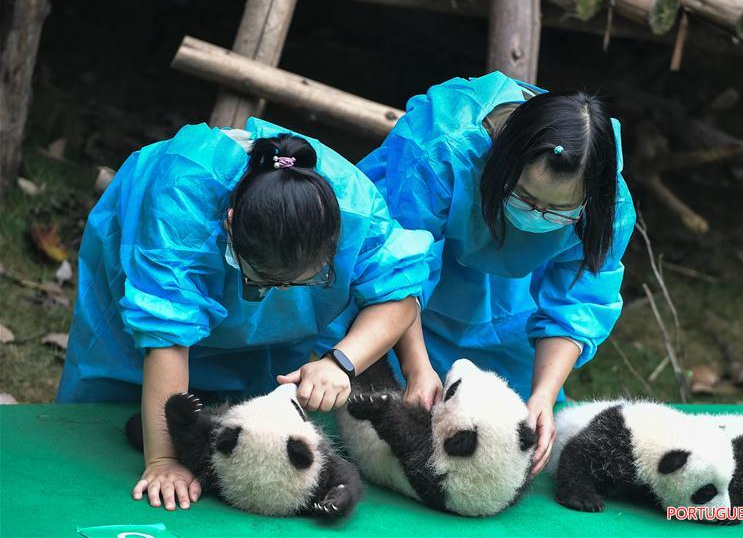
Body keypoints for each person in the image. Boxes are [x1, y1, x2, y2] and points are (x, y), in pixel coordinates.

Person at [56, 117, 433, 511]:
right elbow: (165, 333)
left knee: (253, 404)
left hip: (267, 254)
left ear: (336, 239)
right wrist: (165, 460)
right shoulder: (180, 202)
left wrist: (341, 363)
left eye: (303, 282)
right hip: (152, 253)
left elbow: (400, 289)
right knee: (102, 415)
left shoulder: (356, 207)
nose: (280, 293)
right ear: (230, 224)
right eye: (267, 282)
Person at [321, 71, 636, 477]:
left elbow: (580, 302)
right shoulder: (439, 149)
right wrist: (417, 368)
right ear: (503, 164)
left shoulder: (610, 202)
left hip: (510, 294)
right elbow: (398, 267)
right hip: (408, 282)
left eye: (558, 211)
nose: (537, 216)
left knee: (512, 417)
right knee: (391, 412)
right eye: (525, 197)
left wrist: (544, 394)